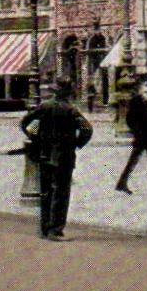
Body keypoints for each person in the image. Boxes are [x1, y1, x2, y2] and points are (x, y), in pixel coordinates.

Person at [21, 81, 94, 241]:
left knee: (46, 192)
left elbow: (25, 122)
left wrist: (35, 137)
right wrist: (76, 144)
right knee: (61, 193)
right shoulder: (71, 110)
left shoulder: (44, 107)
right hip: (63, 156)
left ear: (54, 92)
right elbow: (87, 129)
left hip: (44, 154)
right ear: (68, 93)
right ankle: (56, 230)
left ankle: (45, 229)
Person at [115, 80, 147, 194]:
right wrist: (137, 132)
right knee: (133, 161)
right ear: (140, 89)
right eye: (145, 87)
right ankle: (122, 183)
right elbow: (129, 119)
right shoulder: (136, 101)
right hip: (141, 137)